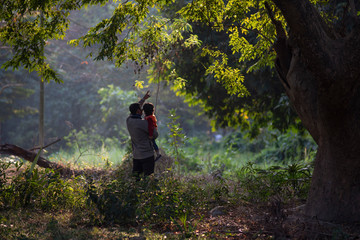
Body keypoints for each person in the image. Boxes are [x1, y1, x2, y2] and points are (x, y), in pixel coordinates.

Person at [126, 91, 158, 179]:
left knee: (135, 179)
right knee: (148, 178)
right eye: (141, 109)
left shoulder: (129, 120)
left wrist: (144, 99)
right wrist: (152, 123)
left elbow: (134, 110)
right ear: (138, 111)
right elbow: (155, 135)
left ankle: (135, 192)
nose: (142, 110)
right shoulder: (144, 123)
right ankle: (147, 192)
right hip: (147, 155)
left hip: (136, 155)